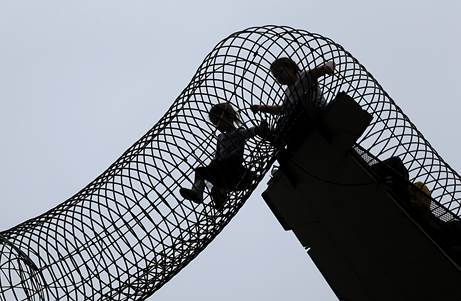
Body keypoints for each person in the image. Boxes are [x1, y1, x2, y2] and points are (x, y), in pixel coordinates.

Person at [179, 103, 268, 209]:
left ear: (228, 116)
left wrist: (260, 128)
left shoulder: (239, 132)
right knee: (201, 171)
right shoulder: (220, 137)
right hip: (222, 170)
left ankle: (221, 194)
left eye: (218, 121)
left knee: (219, 170)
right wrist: (210, 169)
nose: (217, 126)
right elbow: (217, 156)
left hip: (234, 168)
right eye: (214, 123)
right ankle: (197, 193)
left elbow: (249, 132)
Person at [250, 57, 335, 149]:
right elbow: (282, 109)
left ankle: (277, 136)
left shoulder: (305, 76)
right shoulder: (288, 92)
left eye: (280, 72)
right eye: (276, 77)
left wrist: (328, 68)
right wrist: (261, 107)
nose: (279, 78)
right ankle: (276, 136)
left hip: (316, 110)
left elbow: (331, 63)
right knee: (283, 120)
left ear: (291, 67)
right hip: (302, 120)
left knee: (295, 109)